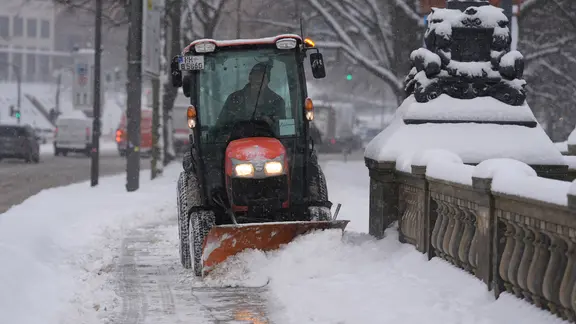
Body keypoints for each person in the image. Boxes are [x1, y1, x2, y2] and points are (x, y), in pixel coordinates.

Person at [215, 62, 286, 129]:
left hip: (270, 139)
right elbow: (220, 127)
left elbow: (283, 130)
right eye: (256, 75)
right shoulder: (234, 99)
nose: (259, 79)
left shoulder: (277, 102)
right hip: (237, 139)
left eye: (263, 76)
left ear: (268, 80)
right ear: (250, 78)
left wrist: (269, 122)